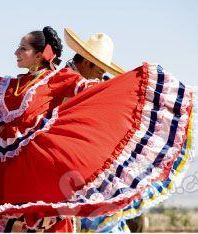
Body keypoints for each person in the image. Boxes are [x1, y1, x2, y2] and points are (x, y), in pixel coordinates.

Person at [0, 26, 195, 232]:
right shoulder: (5, 85)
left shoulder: (60, 80)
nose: (16, 52)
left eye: (23, 48)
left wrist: (129, 88)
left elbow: (89, 93)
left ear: (42, 55)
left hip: (36, 163)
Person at [65, 28, 148, 233]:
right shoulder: (65, 82)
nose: (101, 77)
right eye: (99, 71)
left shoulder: (88, 83)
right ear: (87, 63)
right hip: (74, 164)